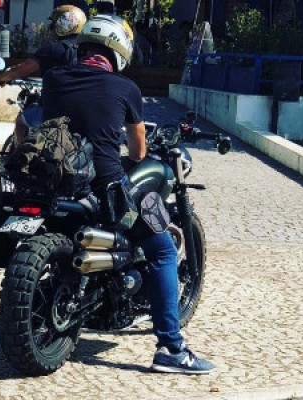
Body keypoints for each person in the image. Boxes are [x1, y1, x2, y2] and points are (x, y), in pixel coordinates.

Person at [42, 14, 214, 374]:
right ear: (119, 50)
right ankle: (171, 348)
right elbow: (137, 152)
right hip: (104, 189)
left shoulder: (53, 79)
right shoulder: (125, 88)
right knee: (163, 249)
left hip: (55, 184)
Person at [0, 5, 87, 146]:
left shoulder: (53, 48)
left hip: (52, 109)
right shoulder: (87, 51)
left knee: (20, 121)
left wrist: (1, 77)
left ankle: (21, 156)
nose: (51, 28)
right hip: (81, 110)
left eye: (54, 23)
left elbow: (23, 69)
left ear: (64, 24)